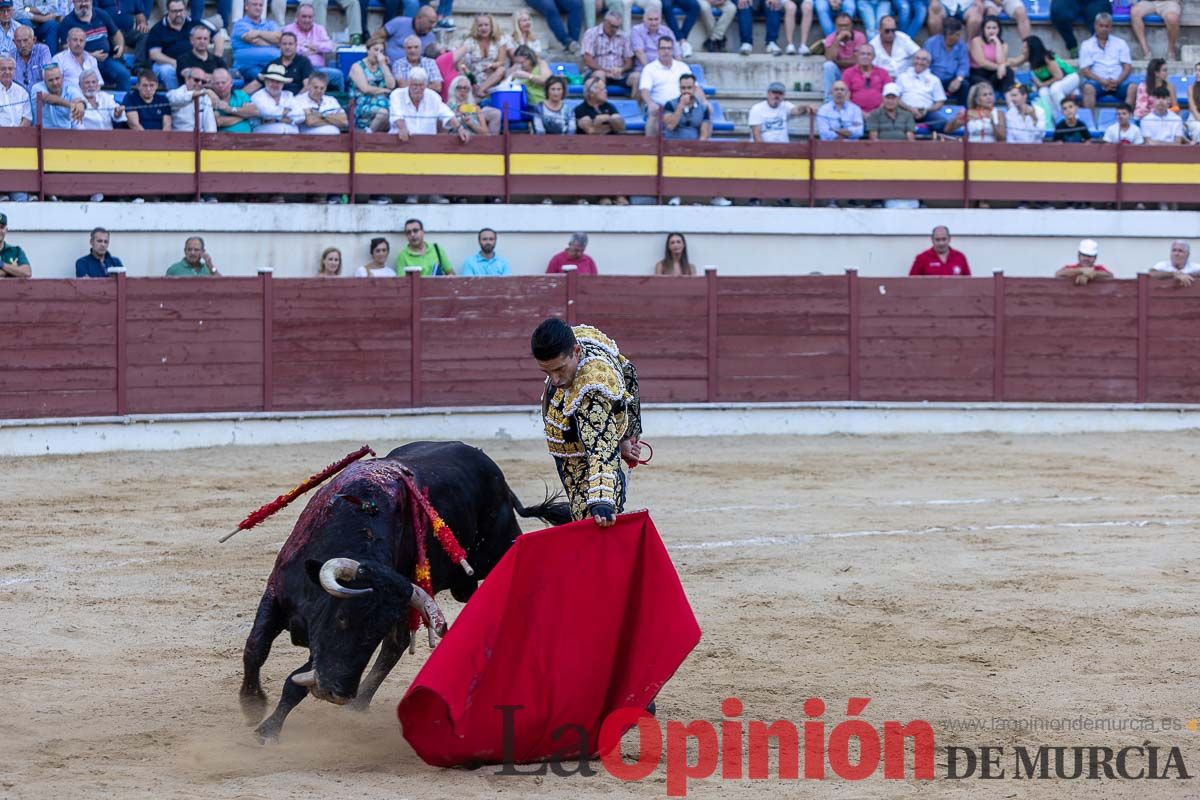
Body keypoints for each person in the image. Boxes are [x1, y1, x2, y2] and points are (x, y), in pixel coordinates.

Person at [531, 317, 642, 526]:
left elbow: (601, 449)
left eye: (560, 369)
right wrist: (627, 436)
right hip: (571, 449)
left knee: (590, 524)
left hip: (587, 460)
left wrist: (602, 499)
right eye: (547, 372)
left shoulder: (592, 387)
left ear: (576, 352)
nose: (555, 380)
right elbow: (628, 372)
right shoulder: (581, 339)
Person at [57, 0, 130, 92]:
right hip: (82, 64)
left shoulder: (101, 14)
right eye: (79, 1)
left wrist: (120, 45)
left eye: (86, 1)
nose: (83, 4)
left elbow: (116, 33)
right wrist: (90, 55)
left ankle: (121, 106)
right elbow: (65, 48)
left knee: (124, 75)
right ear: (73, 2)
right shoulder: (67, 22)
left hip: (106, 61)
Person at [389, 66, 467, 143]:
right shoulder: (397, 94)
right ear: (409, 84)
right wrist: (402, 128)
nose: (418, 89)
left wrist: (459, 128)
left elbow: (446, 113)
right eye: (415, 85)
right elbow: (397, 114)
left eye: (421, 85)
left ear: (426, 85)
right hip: (401, 142)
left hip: (427, 144)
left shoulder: (433, 96)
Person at [284, 2, 344, 91]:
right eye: (304, 16)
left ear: (313, 17)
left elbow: (329, 46)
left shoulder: (319, 29)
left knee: (338, 75)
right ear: (297, 16)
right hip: (297, 68)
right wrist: (307, 50)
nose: (307, 20)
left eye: (310, 17)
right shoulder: (289, 29)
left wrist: (314, 46)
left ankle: (339, 101)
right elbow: (288, 48)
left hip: (318, 69)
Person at [1079, 13, 1132, 112]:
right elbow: (1085, 70)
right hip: (1097, 83)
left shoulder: (1121, 43)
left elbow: (1127, 67)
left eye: (1107, 26)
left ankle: (1127, 121)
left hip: (1118, 82)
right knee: (1088, 88)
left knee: (1133, 88)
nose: (1104, 29)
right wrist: (1102, 81)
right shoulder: (1086, 45)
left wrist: (1118, 81)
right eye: (1101, 26)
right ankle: (1091, 124)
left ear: (1111, 27)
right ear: (1095, 25)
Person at [638, 35, 689, 135]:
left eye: (669, 48)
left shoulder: (683, 67)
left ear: (673, 50)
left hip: (681, 105)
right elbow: (644, 90)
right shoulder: (649, 68)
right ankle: (651, 148)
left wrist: (704, 101)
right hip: (660, 108)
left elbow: (695, 87)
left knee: (705, 116)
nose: (666, 51)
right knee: (654, 114)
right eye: (663, 48)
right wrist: (650, 103)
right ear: (657, 50)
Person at [349, 30, 395, 132]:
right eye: (376, 50)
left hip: (383, 101)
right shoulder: (357, 66)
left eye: (382, 51)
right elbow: (365, 89)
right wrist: (385, 91)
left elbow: (391, 85)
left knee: (397, 115)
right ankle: (367, 136)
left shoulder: (382, 65)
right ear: (368, 50)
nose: (378, 53)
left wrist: (384, 65)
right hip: (363, 102)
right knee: (384, 113)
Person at [453, 12, 506, 97]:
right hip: (474, 76)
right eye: (480, 25)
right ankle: (477, 89)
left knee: (502, 69)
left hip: (491, 76)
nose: (483, 28)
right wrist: (471, 79)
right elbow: (461, 64)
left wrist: (492, 65)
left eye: (486, 25)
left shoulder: (499, 40)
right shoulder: (470, 41)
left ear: (492, 26)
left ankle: (481, 90)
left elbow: (501, 61)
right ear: (476, 28)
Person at [581, 9, 634, 91]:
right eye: (612, 26)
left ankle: (638, 104)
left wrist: (622, 69)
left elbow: (629, 62)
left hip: (618, 74)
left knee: (637, 78)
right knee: (600, 75)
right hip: (596, 71)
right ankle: (600, 103)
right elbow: (588, 59)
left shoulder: (624, 36)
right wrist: (606, 71)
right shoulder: (591, 33)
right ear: (605, 22)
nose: (615, 29)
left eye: (617, 27)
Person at [145, 0, 193, 90]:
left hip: (190, 62)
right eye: (174, 11)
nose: (178, 14)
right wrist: (174, 62)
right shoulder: (158, 29)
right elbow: (154, 54)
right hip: (165, 64)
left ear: (186, 10)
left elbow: (217, 36)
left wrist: (217, 55)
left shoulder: (193, 23)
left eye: (181, 10)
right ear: (168, 11)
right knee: (167, 71)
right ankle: (176, 97)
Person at [1022, 35, 1078, 113]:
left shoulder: (1046, 57)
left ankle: (1063, 115)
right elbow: (1015, 61)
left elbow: (1059, 76)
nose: (1023, 50)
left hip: (1069, 78)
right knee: (1043, 92)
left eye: (1025, 48)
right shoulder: (1030, 58)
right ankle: (1050, 117)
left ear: (1032, 48)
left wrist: (1042, 84)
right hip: (1052, 83)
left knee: (1055, 89)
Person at [230, 0, 281, 83]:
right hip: (248, 67)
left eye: (260, 5)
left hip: (272, 66)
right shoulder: (240, 25)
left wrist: (258, 33)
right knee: (265, 79)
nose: (258, 8)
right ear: (246, 6)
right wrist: (272, 43)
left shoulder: (270, 24)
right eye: (255, 5)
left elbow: (279, 38)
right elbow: (252, 39)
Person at [820, 12, 865, 100]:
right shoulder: (831, 38)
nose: (843, 28)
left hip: (854, 74)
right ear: (836, 26)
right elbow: (829, 58)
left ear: (851, 25)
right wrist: (838, 39)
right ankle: (828, 100)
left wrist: (837, 62)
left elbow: (857, 61)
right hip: (838, 75)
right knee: (828, 66)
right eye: (840, 26)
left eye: (846, 25)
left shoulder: (859, 37)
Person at [924, 16, 967, 106]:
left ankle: (962, 112)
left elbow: (964, 64)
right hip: (934, 78)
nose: (959, 37)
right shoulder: (931, 43)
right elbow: (925, 64)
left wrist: (958, 79)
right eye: (957, 35)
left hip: (951, 79)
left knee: (965, 85)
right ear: (948, 34)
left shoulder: (961, 45)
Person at [895, 50, 945, 126]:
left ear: (928, 63)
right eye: (917, 58)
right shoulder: (902, 77)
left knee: (942, 123)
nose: (919, 62)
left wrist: (926, 110)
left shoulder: (934, 80)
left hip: (927, 112)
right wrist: (910, 109)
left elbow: (940, 102)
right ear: (913, 60)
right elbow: (896, 98)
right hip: (905, 110)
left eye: (923, 59)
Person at [967, 15, 1013, 95]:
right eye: (988, 28)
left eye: (994, 28)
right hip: (978, 73)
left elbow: (1001, 61)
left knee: (1008, 71)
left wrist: (998, 44)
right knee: (986, 86)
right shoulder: (976, 41)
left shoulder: (1003, 45)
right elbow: (982, 62)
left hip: (994, 73)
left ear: (999, 29)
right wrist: (1000, 67)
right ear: (983, 29)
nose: (991, 31)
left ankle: (1009, 99)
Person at [250, 62, 297, 133]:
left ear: (283, 84)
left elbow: (299, 114)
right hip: (264, 136)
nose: (275, 84)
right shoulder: (257, 96)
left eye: (278, 82)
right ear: (265, 81)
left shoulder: (289, 95)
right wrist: (285, 113)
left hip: (291, 136)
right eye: (271, 81)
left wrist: (274, 119)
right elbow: (267, 113)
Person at [842, 43, 889, 113]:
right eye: (862, 54)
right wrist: (860, 113)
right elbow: (845, 96)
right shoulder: (848, 73)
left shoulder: (883, 73)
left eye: (868, 54)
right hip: (854, 113)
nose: (865, 56)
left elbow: (888, 95)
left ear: (874, 57)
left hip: (880, 113)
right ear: (857, 55)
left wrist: (876, 113)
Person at [167, 67, 217, 131]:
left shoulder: (205, 96)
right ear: (187, 79)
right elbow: (178, 99)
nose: (200, 83)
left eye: (203, 82)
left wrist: (211, 140)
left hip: (200, 138)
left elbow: (210, 124)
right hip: (180, 137)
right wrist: (201, 93)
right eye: (196, 80)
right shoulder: (174, 93)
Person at [211, 66, 257, 132]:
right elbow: (219, 121)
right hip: (223, 140)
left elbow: (254, 112)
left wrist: (229, 109)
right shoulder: (210, 98)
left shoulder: (240, 95)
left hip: (246, 139)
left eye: (223, 82)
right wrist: (244, 115)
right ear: (212, 85)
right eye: (217, 83)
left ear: (231, 83)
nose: (220, 85)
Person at [12, 24, 51, 91]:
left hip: (40, 93)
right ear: (14, 42)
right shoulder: (10, 56)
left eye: (25, 40)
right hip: (20, 96)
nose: (22, 45)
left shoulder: (42, 50)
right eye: (18, 41)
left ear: (34, 40)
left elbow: (47, 73)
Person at [0, 53, 31, 128]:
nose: (7, 72)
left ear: (15, 71)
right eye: (3, 69)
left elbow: (27, 118)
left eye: (10, 69)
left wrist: (16, 134)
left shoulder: (22, 92)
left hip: (19, 136)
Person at [0, 212, 32, 278]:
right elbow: (21, 273)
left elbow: (27, 272)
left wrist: (1, 264)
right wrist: (13, 270)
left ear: (6, 230)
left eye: (1, 227)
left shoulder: (16, 251)